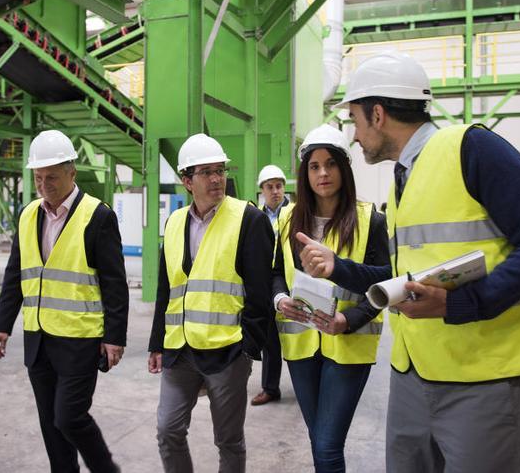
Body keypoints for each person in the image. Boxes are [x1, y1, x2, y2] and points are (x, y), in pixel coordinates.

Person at [296, 52, 520, 473]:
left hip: (485, 378)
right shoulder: (405, 177)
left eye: (354, 120)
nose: (354, 135)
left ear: (378, 113)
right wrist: (338, 267)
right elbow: (401, 277)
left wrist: (459, 304)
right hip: (414, 374)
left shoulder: (473, 148)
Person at [0, 130, 127, 473]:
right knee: (51, 425)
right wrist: (1, 326)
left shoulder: (98, 216)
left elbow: (114, 283)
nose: (44, 184)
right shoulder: (27, 215)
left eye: (51, 176)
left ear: (71, 173)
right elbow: (14, 275)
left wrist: (114, 337)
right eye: (38, 177)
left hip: (79, 340)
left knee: (69, 417)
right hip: (37, 339)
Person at [148, 133, 274, 473]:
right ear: (187, 181)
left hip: (227, 350)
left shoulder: (248, 219)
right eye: (206, 172)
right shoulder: (174, 222)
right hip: (180, 350)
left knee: (228, 440)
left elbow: (260, 293)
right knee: (168, 430)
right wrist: (157, 342)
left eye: (220, 170)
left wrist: (248, 347)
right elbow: (167, 288)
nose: (217, 179)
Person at [272, 124, 388, 472]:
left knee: (326, 447)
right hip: (301, 344)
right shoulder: (288, 217)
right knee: (318, 439)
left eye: (331, 164)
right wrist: (280, 299)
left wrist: (347, 321)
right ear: (304, 172)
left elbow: (385, 283)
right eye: (314, 166)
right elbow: (276, 271)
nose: (323, 173)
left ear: (344, 168)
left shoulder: (370, 220)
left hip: (348, 347)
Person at [252, 164, 290, 406]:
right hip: (265, 282)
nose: (275, 191)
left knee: (300, 335)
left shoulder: (296, 213)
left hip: (290, 280)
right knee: (270, 339)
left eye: (279, 186)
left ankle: (309, 383)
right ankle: (270, 387)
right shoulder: (255, 216)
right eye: (270, 187)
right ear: (262, 190)